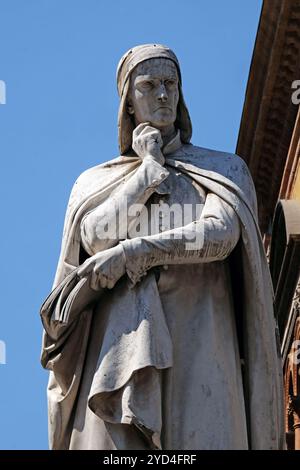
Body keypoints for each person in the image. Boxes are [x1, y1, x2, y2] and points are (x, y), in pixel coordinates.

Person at [40, 44, 284, 450]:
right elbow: (96, 235)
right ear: (128, 103)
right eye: (149, 85)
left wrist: (136, 252)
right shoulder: (95, 182)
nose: (163, 95)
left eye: (171, 84)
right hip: (118, 350)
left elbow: (220, 235)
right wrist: (147, 174)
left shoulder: (222, 169)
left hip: (203, 343)